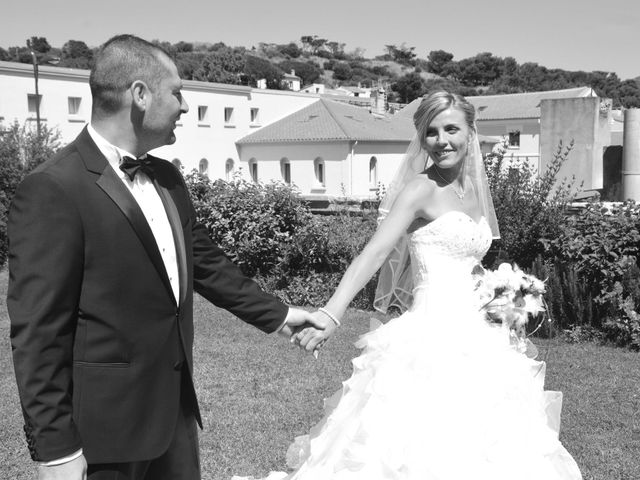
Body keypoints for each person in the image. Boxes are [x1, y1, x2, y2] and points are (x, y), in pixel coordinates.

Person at [7, 34, 321, 480]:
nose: (185, 106)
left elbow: (206, 265)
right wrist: (55, 450)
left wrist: (280, 314)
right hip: (103, 435)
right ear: (140, 95)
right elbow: (38, 332)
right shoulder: (54, 188)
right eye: (176, 92)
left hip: (173, 418)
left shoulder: (168, 177)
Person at [233, 91, 583, 479]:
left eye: (451, 129)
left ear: (471, 131)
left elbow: (464, 263)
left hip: (477, 334)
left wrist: (499, 292)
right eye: (431, 132)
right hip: (430, 336)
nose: (441, 141)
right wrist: (332, 312)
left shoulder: (473, 194)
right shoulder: (420, 189)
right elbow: (374, 253)